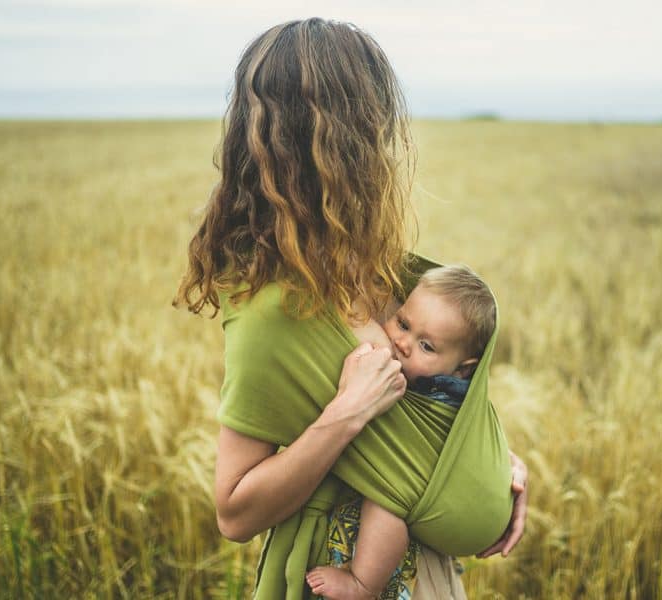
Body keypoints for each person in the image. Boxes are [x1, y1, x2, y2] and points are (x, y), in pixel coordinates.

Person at [175, 18, 528, 599]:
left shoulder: (381, 268)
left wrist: (495, 467)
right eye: (377, 124)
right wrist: (346, 413)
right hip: (336, 574)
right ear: (349, 140)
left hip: (424, 573)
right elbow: (233, 513)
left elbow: (427, 414)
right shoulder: (272, 312)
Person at [306, 265, 496, 599]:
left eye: (427, 346)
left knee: (390, 498)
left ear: (463, 370)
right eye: (403, 324)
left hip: (409, 503)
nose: (403, 343)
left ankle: (362, 584)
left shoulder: (442, 395)